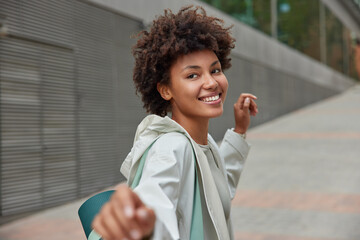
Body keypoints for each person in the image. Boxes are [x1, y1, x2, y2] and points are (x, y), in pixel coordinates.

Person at [92, 5, 258, 240]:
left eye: (215, 70)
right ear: (166, 89)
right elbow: (156, 197)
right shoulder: (171, 147)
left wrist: (239, 131)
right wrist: (144, 224)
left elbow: (216, 192)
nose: (211, 82)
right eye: (193, 75)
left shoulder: (203, 142)